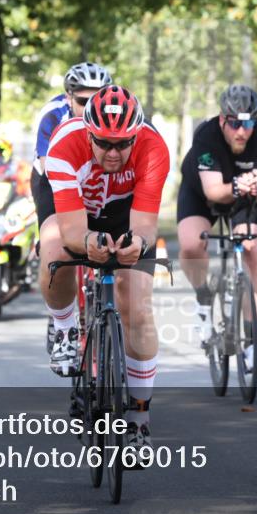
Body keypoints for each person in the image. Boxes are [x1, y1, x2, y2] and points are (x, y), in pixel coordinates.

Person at [41, 85, 169, 456]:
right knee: (52, 247)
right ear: (87, 132)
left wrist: (138, 246)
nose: (113, 153)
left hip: (127, 214)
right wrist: (88, 244)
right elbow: (70, 231)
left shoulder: (153, 148)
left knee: (137, 308)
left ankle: (139, 419)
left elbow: (145, 225)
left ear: (136, 135)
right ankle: (65, 329)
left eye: (123, 144)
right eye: (104, 143)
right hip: (77, 211)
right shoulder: (65, 145)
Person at [176, 85, 257, 371]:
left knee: (252, 250)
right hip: (202, 194)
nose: (241, 131)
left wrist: (253, 187)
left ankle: (252, 342)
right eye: (234, 123)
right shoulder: (206, 135)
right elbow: (212, 192)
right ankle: (203, 298)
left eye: (248, 123)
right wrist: (237, 184)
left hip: (244, 199)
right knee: (192, 244)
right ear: (223, 119)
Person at [30, 62, 113, 228]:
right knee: (58, 234)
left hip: (90, 174)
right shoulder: (52, 115)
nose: (90, 109)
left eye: (96, 102)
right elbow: (48, 167)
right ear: (69, 98)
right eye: (83, 102)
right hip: (50, 176)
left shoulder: (113, 113)